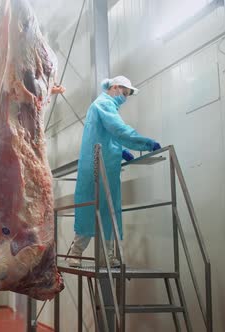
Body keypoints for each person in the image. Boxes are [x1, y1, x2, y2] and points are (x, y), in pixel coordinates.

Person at [67, 76, 161, 268]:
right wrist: (145, 143)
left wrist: (121, 151)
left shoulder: (108, 106)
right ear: (115, 87)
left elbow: (109, 135)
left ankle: (108, 256)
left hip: (109, 166)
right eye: (124, 94)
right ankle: (74, 253)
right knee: (89, 207)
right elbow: (118, 129)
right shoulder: (102, 104)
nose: (124, 98)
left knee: (110, 210)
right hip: (94, 165)